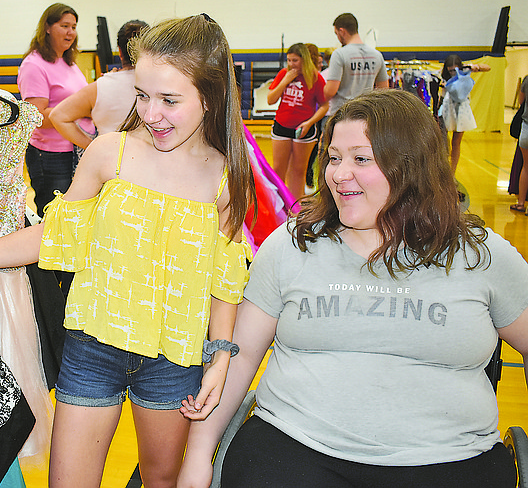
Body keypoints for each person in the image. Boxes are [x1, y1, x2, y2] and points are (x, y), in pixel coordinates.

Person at [0, 14, 256, 488]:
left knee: (161, 481)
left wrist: (222, 355)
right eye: (143, 96)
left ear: (209, 99)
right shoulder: (109, 152)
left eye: (169, 100)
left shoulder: (225, 179)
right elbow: (57, 234)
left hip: (174, 359)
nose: (151, 113)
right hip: (92, 348)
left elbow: (224, 277)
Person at [179, 89, 528, 488]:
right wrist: (199, 455)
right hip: (296, 446)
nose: (338, 174)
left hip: (446, 457)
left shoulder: (481, 256)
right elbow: (237, 360)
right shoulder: (292, 244)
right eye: (333, 157)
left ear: (410, 166)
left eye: (361, 159)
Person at [17, 3, 94, 217]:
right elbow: (36, 116)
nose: (71, 32)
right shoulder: (34, 65)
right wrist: (80, 111)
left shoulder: (69, 62)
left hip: (75, 150)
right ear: (48, 28)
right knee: (54, 217)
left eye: (74, 27)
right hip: (51, 155)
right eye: (65, 26)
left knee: (73, 214)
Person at [50, 19, 149, 148]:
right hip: (150, 158)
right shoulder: (163, 84)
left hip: (109, 159)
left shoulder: (99, 87)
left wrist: (92, 146)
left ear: (119, 51)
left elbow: (57, 116)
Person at [267, 43, 328, 200]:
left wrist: (309, 122)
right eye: (289, 60)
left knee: (298, 170)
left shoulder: (316, 78)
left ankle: (295, 207)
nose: (291, 64)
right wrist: (285, 81)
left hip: (304, 129)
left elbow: (324, 106)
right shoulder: (284, 74)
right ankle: (278, 204)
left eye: (295, 60)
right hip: (282, 125)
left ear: (304, 60)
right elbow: (270, 99)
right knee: (279, 169)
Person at [323, 13, 389, 119]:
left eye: (337, 34)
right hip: (366, 113)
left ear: (342, 31)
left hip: (342, 114)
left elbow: (330, 91)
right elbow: (384, 89)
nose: (338, 38)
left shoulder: (339, 54)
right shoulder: (376, 55)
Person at [437, 54, 491, 175]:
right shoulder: (442, 75)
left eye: (455, 70)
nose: (453, 73)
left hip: (461, 108)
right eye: (450, 70)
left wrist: (475, 67)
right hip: (445, 108)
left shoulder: (465, 71)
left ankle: (452, 172)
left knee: (456, 142)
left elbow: (488, 67)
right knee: (443, 142)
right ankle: (443, 170)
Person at [510, 75, 528, 213]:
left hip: (526, 127)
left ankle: (521, 203)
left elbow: (521, 101)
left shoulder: (527, 80)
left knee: (526, 167)